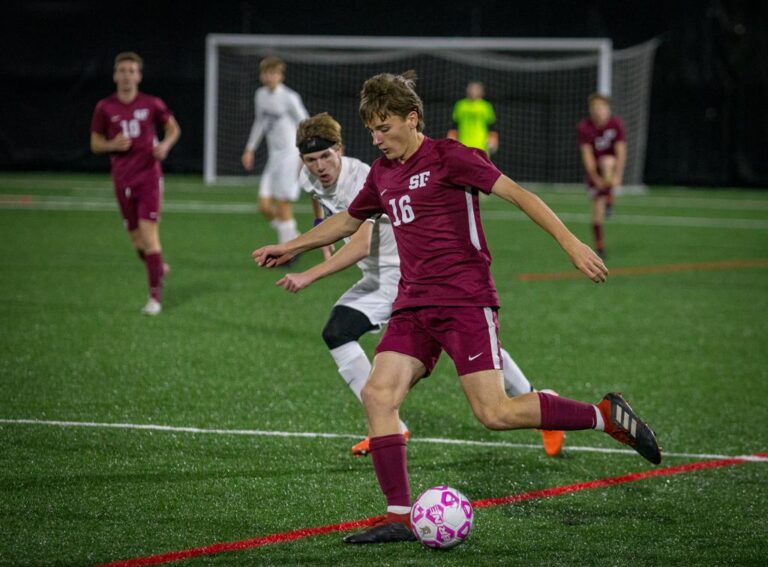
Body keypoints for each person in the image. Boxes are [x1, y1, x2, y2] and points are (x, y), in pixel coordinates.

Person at [254, 72, 661, 545]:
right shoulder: (384, 175)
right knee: (378, 395)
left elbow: (519, 195)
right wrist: (292, 248)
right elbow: (349, 219)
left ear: (412, 119)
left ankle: (603, 415)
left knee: (495, 412)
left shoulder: (450, 157)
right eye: (371, 130)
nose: (376, 139)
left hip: (465, 300)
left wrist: (570, 243)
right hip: (412, 304)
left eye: (384, 128)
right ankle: (399, 515)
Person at [281, 112, 564, 458]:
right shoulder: (308, 176)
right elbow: (319, 198)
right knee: (340, 333)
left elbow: (358, 243)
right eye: (311, 160)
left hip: (404, 275)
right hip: (376, 278)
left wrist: (307, 274)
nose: (320, 166)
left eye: (326, 156)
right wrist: (317, 224)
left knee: (466, 346)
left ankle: (541, 405)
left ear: (340, 149)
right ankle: (387, 425)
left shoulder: (362, 179)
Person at [90, 51, 181, 315]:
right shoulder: (104, 107)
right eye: (123, 71)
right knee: (137, 242)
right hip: (122, 179)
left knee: (150, 236)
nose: (127, 75)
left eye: (132, 71)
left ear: (139, 76)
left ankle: (154, 299)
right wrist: (111, 144)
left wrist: (164, 146)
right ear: (115, 75)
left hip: (149, 177)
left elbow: (174, 128)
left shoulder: (152, 103)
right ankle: (158, 266)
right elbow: (94, 144)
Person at [241, 57, 310, 246]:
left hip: (290, 155)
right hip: (274, 157)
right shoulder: (260, 95)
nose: (269, 77)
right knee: (263, 206)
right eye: (266, 73)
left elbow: (306, 123)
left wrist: (306, 154)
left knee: (282, 205)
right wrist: (250, 148)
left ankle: (287, 251)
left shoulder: (289, 97)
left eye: (273, 73)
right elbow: (260, 122)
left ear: (280, 76)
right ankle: (292, 236)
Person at [577, 93, 627, 259]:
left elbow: (621, 151)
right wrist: (595, 179)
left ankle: (610, 199)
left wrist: (618, 176)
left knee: (608, 161)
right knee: (597, 213)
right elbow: (587, 156)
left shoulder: (616, 125)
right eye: (594, 107)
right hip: (595, 174)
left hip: (609, 170)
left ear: (608, 109)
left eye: (601, 107)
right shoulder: (584, 127)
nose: (598, 111)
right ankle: (599, 246)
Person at [447, 81, 498, 155]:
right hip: (463, 147)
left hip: (481, 148)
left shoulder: (486, 107)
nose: (473, 91)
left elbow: (492, 127)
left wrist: (493, 140)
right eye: (471, 88)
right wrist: (451, 140)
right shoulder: (460, 105)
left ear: (481, 91)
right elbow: (454, 126)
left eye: (476, 89)